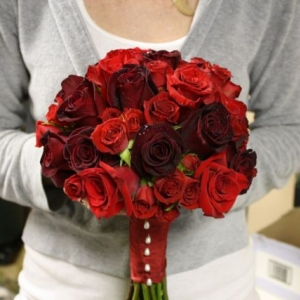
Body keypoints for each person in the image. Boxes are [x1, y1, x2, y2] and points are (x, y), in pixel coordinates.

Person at [0, 0, 300, 299]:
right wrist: (69, 169)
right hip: (60, 285)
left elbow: (290, 126)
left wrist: (203, 183)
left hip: (217, 285)